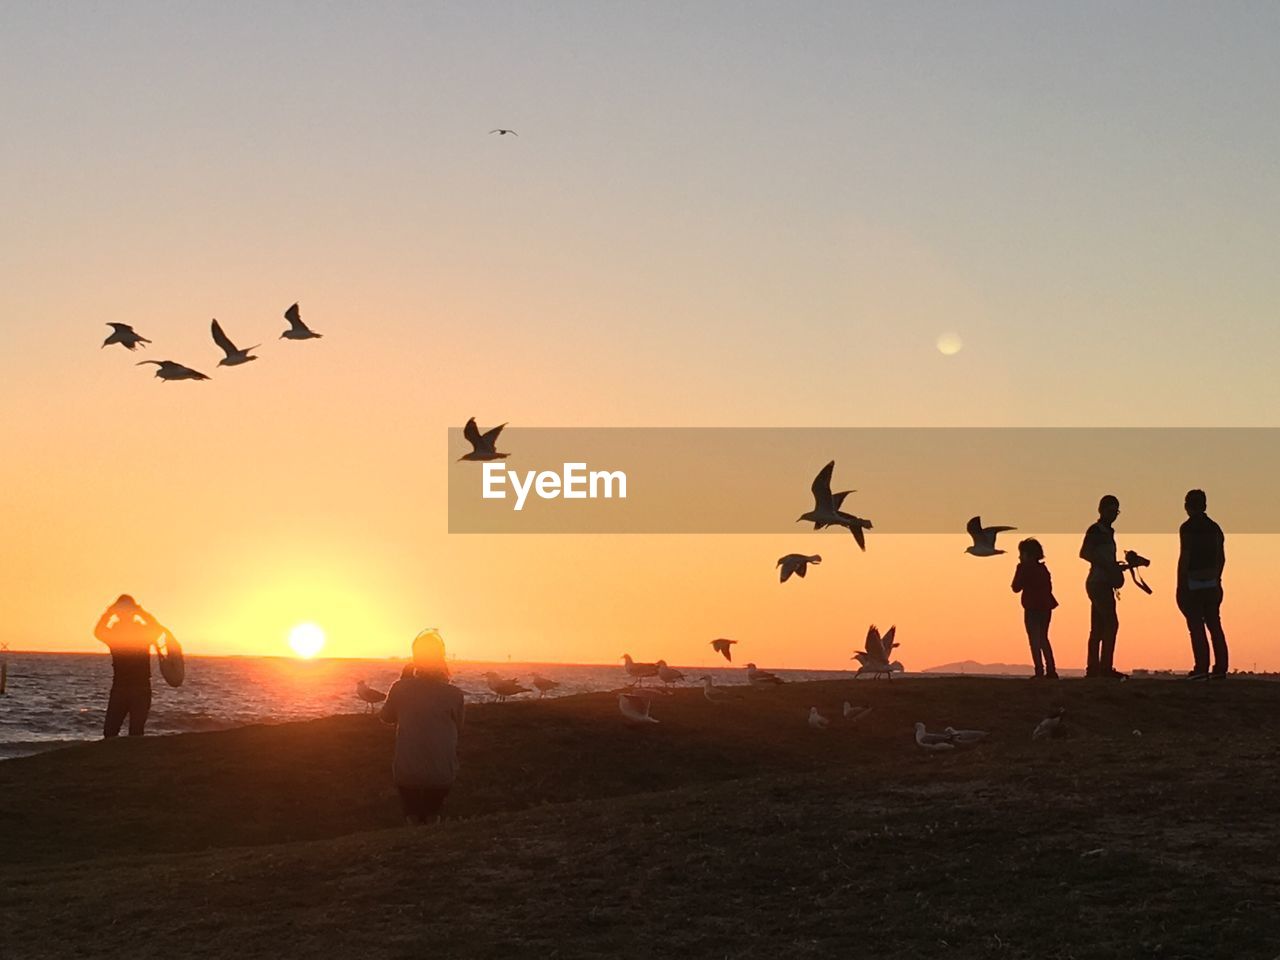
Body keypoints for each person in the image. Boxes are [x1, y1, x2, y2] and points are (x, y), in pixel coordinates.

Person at [380, 628, 466, 824]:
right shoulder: (455, 694)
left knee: (411, 807)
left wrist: (404, 684)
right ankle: (431, 822)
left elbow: (385, 717)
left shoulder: (400, 688)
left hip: (407, 773)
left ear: (415, 657)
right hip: (441, 774)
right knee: (432, 809)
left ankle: (413, 823)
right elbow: (459, 728)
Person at [93, 594, 166, 737]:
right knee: (131, 732)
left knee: (113, 732)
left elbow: (99, 631)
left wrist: (110, 612)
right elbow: (157, 629)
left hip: (130, 687)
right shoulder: (139, 632)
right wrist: (140, 611)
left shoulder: (117, 633)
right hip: (133, 687)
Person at [1177, 489, 1227, 680]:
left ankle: (1201, 667)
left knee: (1196, 626)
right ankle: (1221, 668)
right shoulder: (1215, 528)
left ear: (1187, 506)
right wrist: (1218, 578)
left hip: (1193, 583)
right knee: (1215, 625)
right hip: (1213, 582)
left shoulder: (1187, 527)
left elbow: (1185, 556)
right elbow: (1222, 558)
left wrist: (1181, 583)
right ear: (1204, 506)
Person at [1080, 495, 1127, 679]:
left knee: (1098, 627)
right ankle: (1103, 668)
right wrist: (1108, 566)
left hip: (1104, 583)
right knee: (1111, 624)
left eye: (1116, 511)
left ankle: (1095, 669)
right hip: (1097, 583)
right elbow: (1084, 553)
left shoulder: (1109, 532)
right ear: (1101, 510)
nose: (1114, 514)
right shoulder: (1096, 530)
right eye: (1111, 510)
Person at [1012, 538, 1058, 679]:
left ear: (1027, 555)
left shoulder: (1024, 568)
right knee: (1043, 638)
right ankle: (1051, 670)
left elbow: (1015, 587)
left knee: (1034, 639)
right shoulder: (1043, 569)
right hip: (1045, 606)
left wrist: (1020, 571)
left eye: (1022, 554)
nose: (1020, 557)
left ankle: (1039, 670)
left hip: (1032, 607)